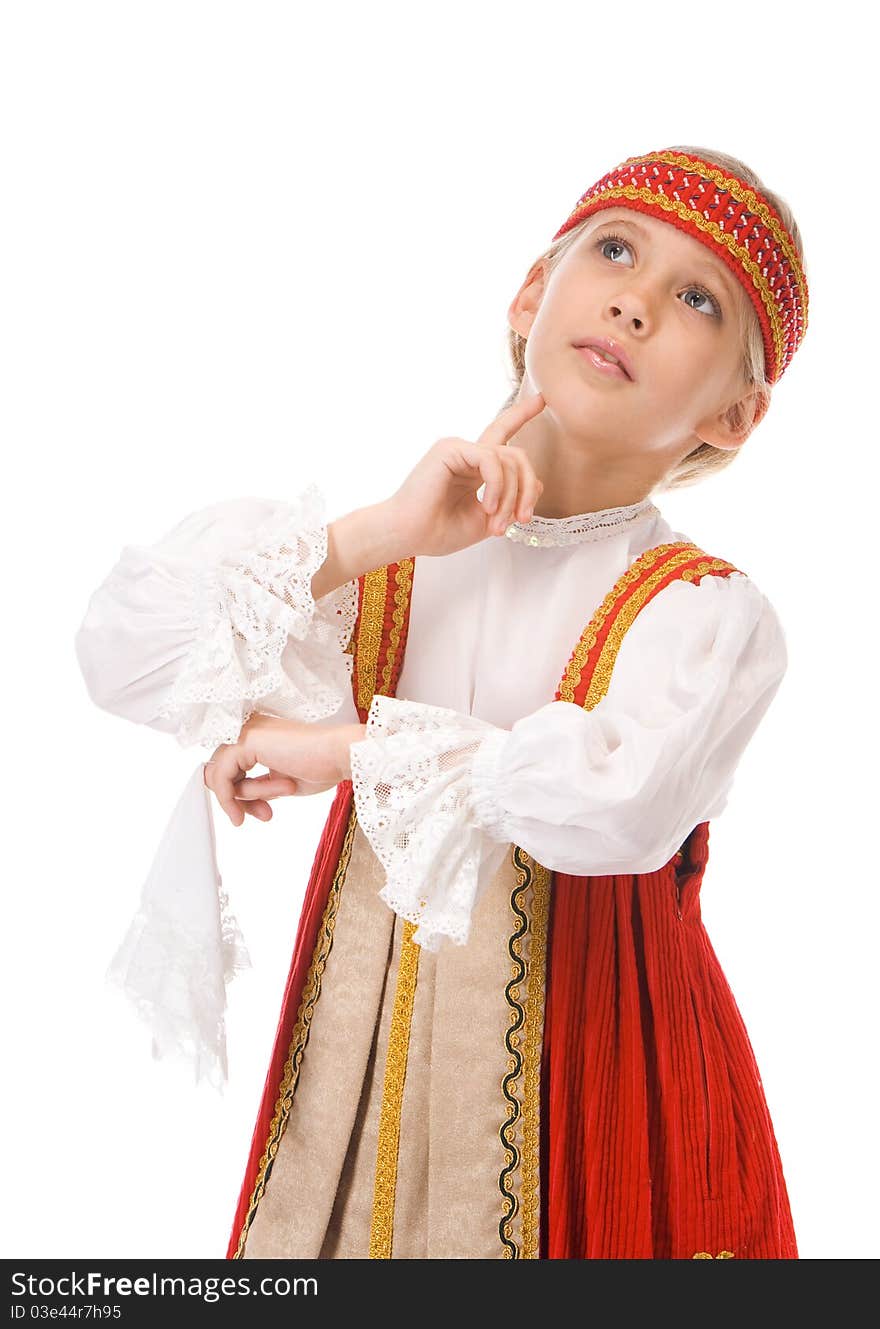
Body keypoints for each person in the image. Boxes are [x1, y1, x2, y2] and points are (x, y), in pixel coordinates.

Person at [74, 144, 808, 1260]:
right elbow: (121, 656)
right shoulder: (393, 559)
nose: (635, 300)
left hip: (599, 1066)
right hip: (355, 1062)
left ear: (734, 417)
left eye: (695, 298)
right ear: (530, 294)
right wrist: (379, 532)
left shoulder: (699, 615)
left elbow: (618, 812)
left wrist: (345, 748)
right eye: (615, 251)